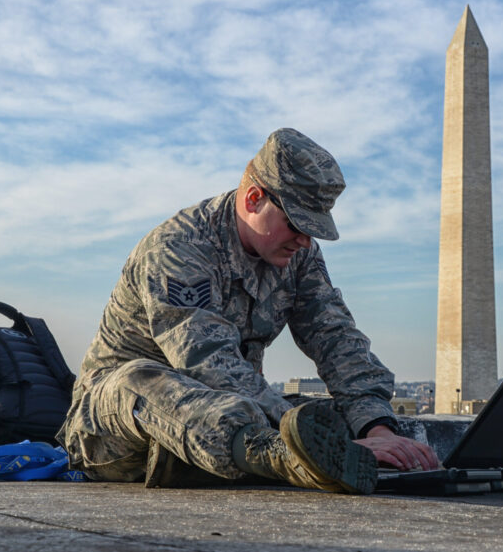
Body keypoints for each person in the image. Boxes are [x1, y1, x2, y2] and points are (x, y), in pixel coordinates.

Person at [58, 128, 438, 494]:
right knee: (142, 379)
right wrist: (286, 430)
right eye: (296, 224)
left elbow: (336, 338)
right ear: (254, 198)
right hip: (117, 429)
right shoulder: (180, 246)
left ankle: (290, 454)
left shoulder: (299, 256)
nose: (305, 240)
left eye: (313, 229)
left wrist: (376, 428)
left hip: (234, 420)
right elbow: (206, 360)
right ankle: (286, 459)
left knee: (323, 419)